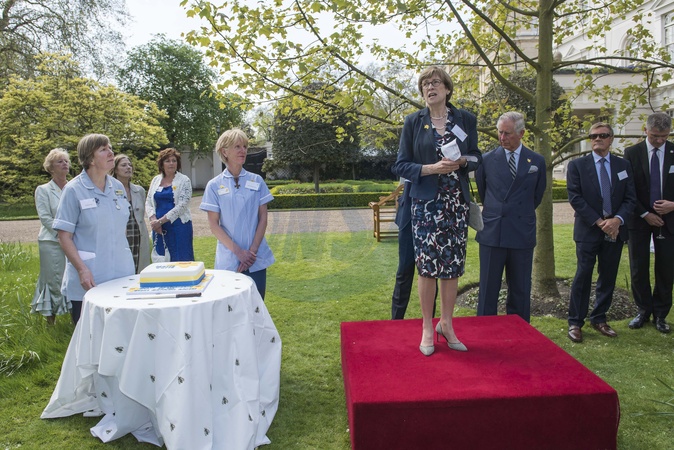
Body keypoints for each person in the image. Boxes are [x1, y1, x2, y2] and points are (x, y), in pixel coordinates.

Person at [393, 65, 482, 356]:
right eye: (425, 85)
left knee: (452, 266)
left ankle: (447, 324)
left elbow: (477, 157)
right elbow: (401, 165)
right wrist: (430, 169)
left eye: (435, 83)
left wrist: (463, 162)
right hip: (425, 206)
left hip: (455, 203)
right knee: (427, 268)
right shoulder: (414, 122)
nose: (430, 88)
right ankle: (427, 328)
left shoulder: (465, 119)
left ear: (447, 88)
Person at [53, 134, 135, 324]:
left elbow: (120, 228)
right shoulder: (73, 190)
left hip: (122, 273)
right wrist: (82, 270)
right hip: (90, 277)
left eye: (110, 148)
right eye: (103, 149)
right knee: (89, 335)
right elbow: (64, 237)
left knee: (121, 333)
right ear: (90, 158)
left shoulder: (117, 187)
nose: (111, 153)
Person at [566, 123, 636, 343]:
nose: (597, 139)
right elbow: (575, 197)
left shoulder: (623, 165)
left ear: (611, 138)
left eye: (603, 135)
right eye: (593, 136)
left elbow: (630, 198)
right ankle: (575, 322)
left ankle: (599, 318)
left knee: (608, 276)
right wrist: (599, 222)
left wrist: (617, 220)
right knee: (583, 275)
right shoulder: (577, 165)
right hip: (588, 230)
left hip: (615, 231)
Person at [475, 112, 546, 323]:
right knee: (488, 290)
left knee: (520, 290)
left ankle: (519, 333)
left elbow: (536, 196)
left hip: (521, 233)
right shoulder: (486, 160)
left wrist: (518, 214)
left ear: (521, 133)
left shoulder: (537, 161)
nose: (502, 137)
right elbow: (484, 191)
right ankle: (485, 333)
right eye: (500, 132)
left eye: (507, 133)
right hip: (492, 233)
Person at [200, 129, 275, 299]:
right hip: (229, 259)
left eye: (245, 147)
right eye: (237, 147)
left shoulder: (257, 181)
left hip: (255, 259)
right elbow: (214, 225)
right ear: (224, 151)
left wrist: (251, 253)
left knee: (256, 305)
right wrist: (239, 253)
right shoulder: (214, 185)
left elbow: (263, 218)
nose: (243, 151)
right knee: (230, 308)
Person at [625, 112, 674, 333]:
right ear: (645, 130)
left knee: (666, 268)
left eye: (664, 136)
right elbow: (628, 190)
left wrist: (673, 205)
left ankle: (661, 315)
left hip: (669, 221)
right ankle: (643, 311)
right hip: (639, 220)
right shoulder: (631, 153)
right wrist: (645, 213)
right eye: (655, 136)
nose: (660, 140)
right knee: (638, 267)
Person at [31, 148, 72, 324]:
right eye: (60, 161)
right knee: (53, 280)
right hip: (52, 242)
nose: (65, 164)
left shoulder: (73, 187)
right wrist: (63, 235)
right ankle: (50, 322)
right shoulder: (43, 190)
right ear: (51, 167)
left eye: (66, 161)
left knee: (73, 278)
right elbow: (45, 217)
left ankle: (75, 319)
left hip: (75, 242)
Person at [146, 148, 194, 262]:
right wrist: (154, 220)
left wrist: (161, 221)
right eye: (167, 161)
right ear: (162, 164)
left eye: (174, 160)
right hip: (159, 229)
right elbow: (148, 201)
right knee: (161, 261)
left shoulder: (184, 180)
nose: (171, 163)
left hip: (179, 227)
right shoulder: (155, 180)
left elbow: (182, 205)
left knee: (181, 261)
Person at [111, 154, 151, 273]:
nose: (128, 167)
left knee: (139, 270)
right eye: (123, 165)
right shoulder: (109, 190)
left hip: (138, 236)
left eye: (130, 165)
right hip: (120, 237)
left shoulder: (139, 191)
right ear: (115, 169)